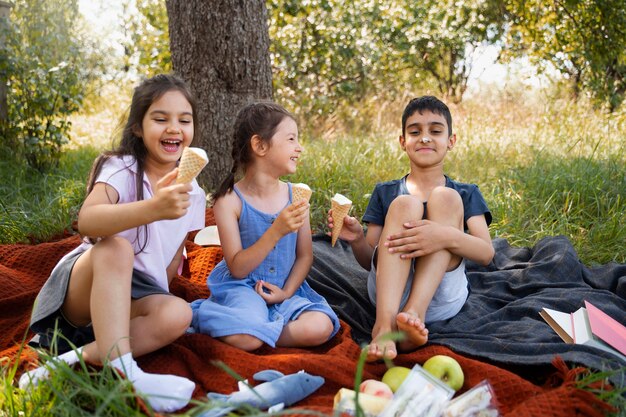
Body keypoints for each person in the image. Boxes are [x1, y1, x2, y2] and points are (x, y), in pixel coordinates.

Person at [19, 74, 206, 412]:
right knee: (117, 247)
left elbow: (171, 257)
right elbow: (88, 222)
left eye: (184, 119)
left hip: (131, 300)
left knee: (179, 313)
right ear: (137, 127)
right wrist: (153, 209)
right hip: (86, 287)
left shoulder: (193, 194)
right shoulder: (121, 168)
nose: (173, 128)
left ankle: (71, 360)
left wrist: (159, 302)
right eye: (160, 119)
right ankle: (126, 371)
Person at [328, 96, 494, 362]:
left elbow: (486, 253)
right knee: (405, 204)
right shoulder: (386, 192)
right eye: (415, 132)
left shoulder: (466, 193)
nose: (425, 138)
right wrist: (358, 238)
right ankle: (384, 327)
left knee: (446, 198)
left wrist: (443, 235)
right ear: (403, 141)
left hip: (440, 297)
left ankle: (414, 313)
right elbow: (370, 258)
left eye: (436, 131)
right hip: (387, 298)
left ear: (451, 141)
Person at [189, 102, 340, 351]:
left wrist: (286, 292)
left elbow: (304, 256)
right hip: (242, 288)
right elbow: (237, 268)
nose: (299, 147)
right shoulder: (229, 201)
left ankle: (258, 331)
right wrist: (276, 231)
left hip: (284, 288)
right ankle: (237, 326)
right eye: (291, 139)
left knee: (320, 327)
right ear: (259, 145)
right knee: (246, 339)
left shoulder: (297, 196)